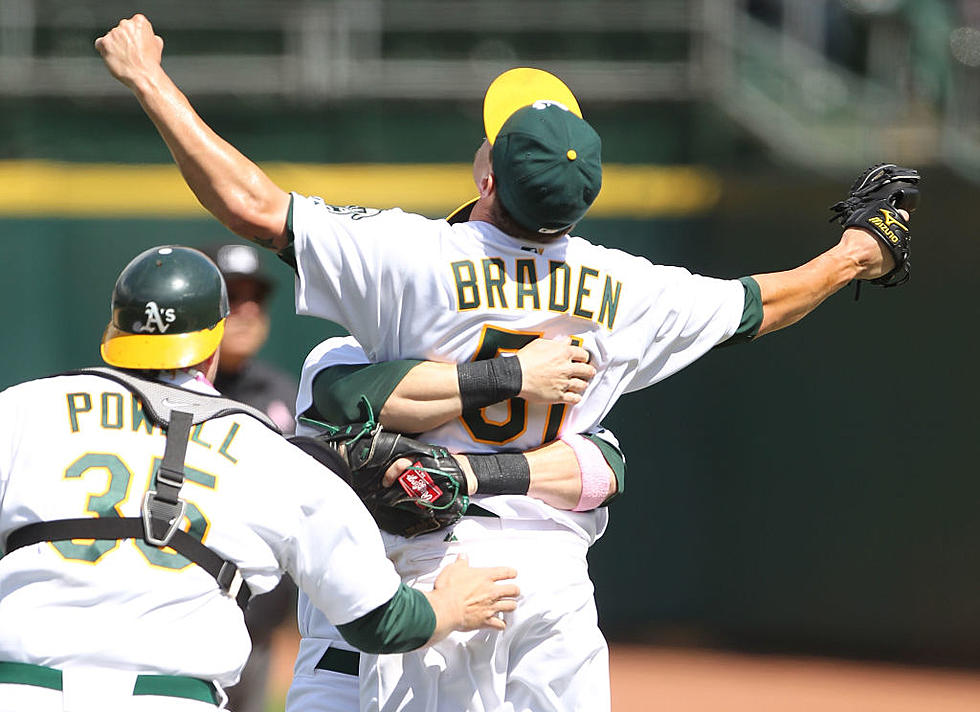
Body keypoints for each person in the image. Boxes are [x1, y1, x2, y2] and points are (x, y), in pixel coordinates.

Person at [94, 15, 913, 711]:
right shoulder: (628, 287)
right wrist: (858, 252)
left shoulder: (410, 256)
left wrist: (148, 79)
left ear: (488, 174)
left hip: (432, 567)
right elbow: (765, 301)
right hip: (552, 580)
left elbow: (247, 202)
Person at [0, 245, 519, 712]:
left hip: (20, 690)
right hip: (173, 698)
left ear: (114, 334)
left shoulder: (23, 409)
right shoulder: (271, 453)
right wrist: (449, 606)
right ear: (212, 344)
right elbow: (380, 620)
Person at [287, 335, 627, 712]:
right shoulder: (343, 354)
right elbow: (355, 398)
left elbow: (605, 471)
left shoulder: (551, 371)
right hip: (346, 661)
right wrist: (514, 374)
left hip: (515, 614)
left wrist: (465, 472)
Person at [202, 242, 298, 712]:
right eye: (231, 297)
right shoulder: (160, 390)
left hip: (257, 635)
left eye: (255, 297)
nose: (247, 311)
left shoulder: (285, 396)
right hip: (173, 632)